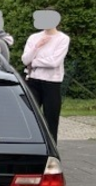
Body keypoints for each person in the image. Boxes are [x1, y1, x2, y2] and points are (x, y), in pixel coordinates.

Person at [21, 9, 70, 141]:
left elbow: (54, 62)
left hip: (52, 82)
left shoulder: (63, 39)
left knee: (51, 118)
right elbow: (25, 60)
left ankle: (51, 147)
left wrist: (34, 62)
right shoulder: (34, 38)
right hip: (33, 80)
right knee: (30, 115)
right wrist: (37, 47)